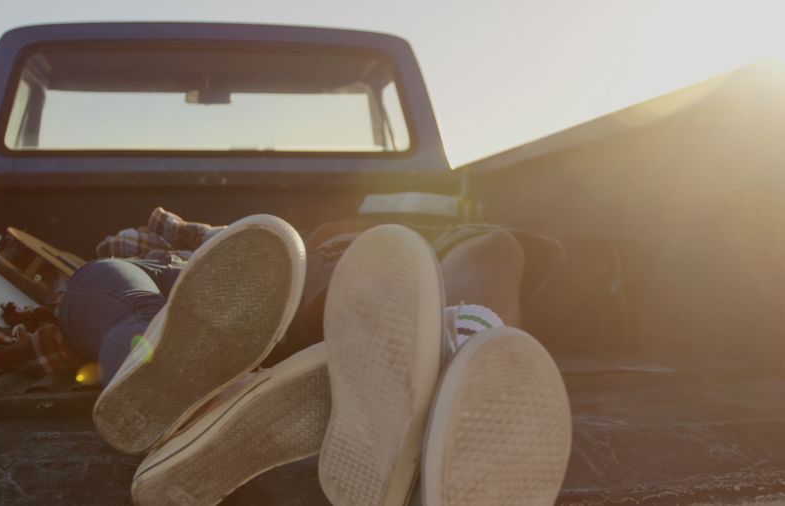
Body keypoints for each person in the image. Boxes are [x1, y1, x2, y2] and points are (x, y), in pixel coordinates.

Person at [59, 214, 572, 505]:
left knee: (106, 280)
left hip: (330, 292)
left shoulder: (313, 247)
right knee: (481, 253)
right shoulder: (418, 237)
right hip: (345, 299)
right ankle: (457, 356)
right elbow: (494, 250)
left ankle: (148, 360)